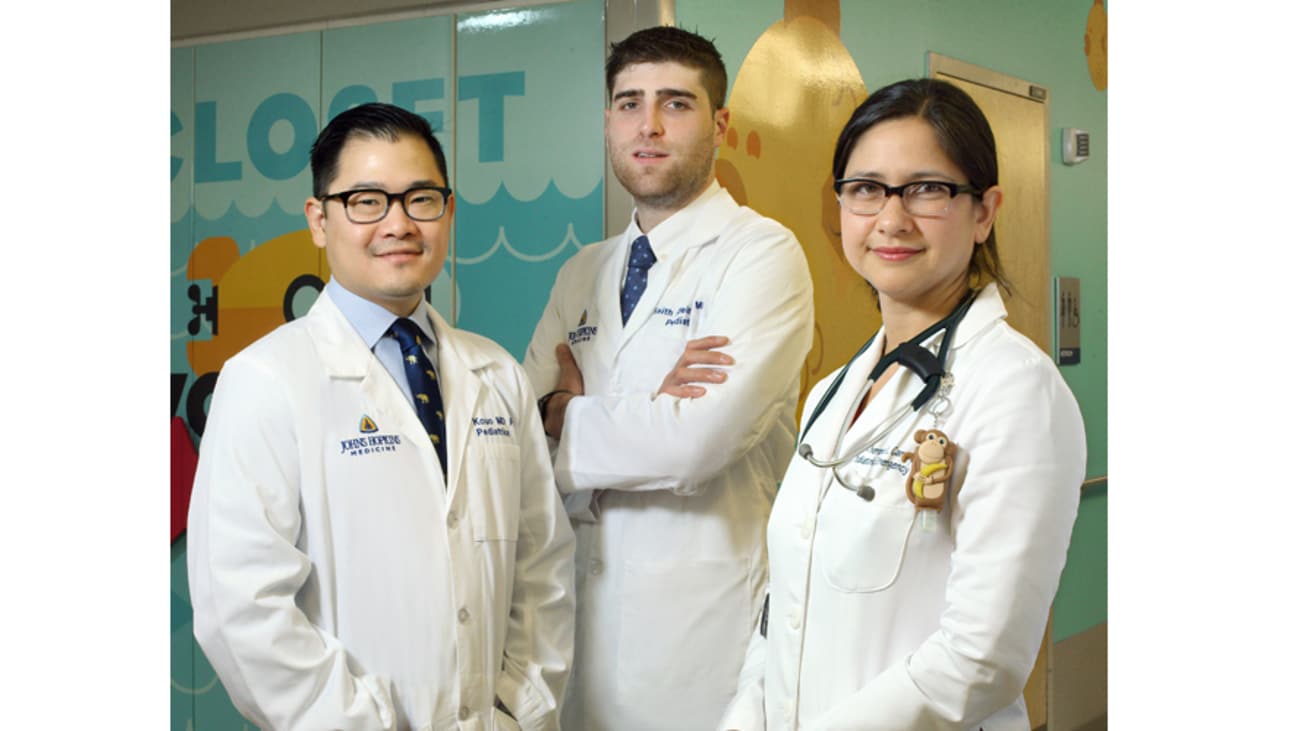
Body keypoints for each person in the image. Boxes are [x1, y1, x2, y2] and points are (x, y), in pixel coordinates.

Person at [187, 102, 576, 731]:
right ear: (319, 219)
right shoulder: (266, 379)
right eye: (366, 200)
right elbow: (241, 605)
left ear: (447, 212)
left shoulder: (495, 373)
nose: (397, 223)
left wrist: (520, 709)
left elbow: (542, 570)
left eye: (420, 198)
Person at [718, 79, 1086, 730]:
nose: (891, 218)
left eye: (926, 188)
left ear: (984, 211)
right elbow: (783, 605)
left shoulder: (1014, 390)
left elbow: (982, 657)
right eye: (865, 189)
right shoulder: (833, 392)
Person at [522, 25, 815, 731]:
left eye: (675, 104)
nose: (647, 125)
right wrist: (641, 411)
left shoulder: (762, 256)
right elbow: (521, 437)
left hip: (701, 639)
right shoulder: (581, 272)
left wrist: (576, 412)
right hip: (574, 625)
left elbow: (696, 444)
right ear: (607, 121)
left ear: (718, 124)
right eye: (629, 103)